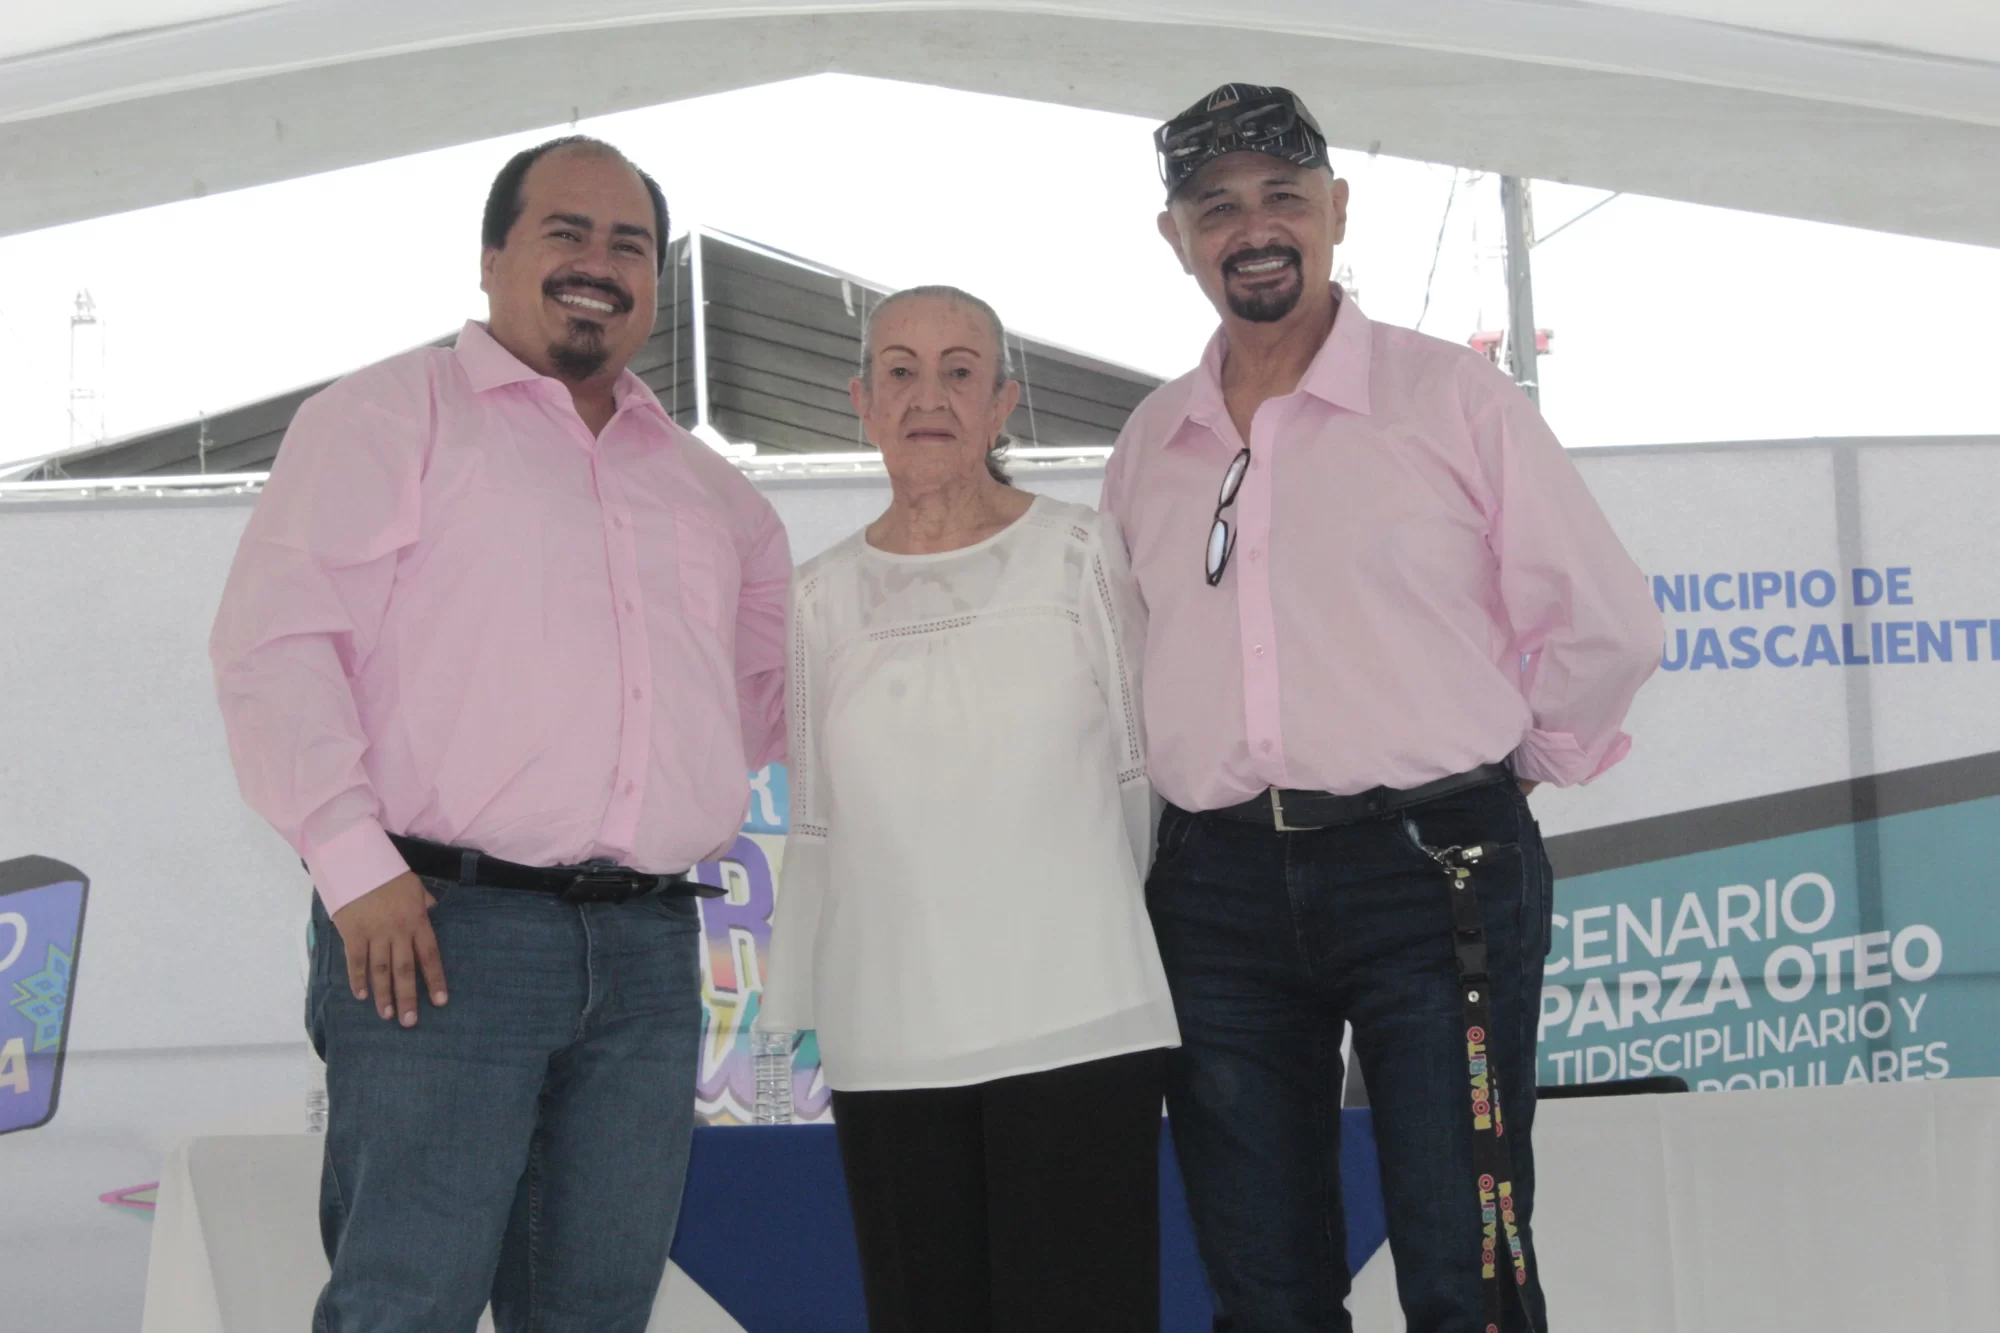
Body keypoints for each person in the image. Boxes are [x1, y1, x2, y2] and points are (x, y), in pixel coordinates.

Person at [1103, 84, 1664, 1333]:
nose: (1254, 229)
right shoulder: (1150, 441)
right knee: (1260, 1288)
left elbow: (1606, 621)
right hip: (1213, 896)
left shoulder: (1452, 402)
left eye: (1283, 198)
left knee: (1465, 1269)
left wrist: (1521, 763)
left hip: (1435, 872)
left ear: (1336, 210)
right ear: (1174, 235)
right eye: (1217, 207)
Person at [209, 136, 790, 1332]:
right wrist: (350, 861)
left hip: (643, 953)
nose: (598, 262)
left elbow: (766, 698)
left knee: (595, 1309)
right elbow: (275, 646)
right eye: (564, 233)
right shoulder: (383, 417)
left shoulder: (709, 490)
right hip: (434, 933)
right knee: (403, 1303)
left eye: (629, 243)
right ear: (490, 259)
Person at [760, 285, 1178, 1332]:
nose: (927, 393)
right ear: (861, 401)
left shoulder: (1081, 553)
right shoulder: (815, 597)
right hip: (887, 1033)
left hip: (1078, 1019)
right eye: (898, 368)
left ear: (1003, 404)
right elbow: (816, 821)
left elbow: (1140, 790)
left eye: (959, 369)